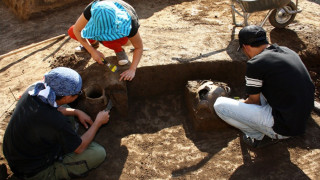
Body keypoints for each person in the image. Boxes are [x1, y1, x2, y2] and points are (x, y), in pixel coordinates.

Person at [214, 25, 315, 148]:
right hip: (301, 118)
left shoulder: (256, 64)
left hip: (284, 128)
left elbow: (253, 102)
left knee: (219, 105)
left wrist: (240, 103)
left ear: (245, 47)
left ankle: (256, 136)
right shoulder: (287, 51)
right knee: (264, 86)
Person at [3, 67, 110, 179]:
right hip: (32, 171)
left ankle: (66, 138)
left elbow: (59, 110)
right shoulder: (56, 120)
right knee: (98, 153)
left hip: (16, 153)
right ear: (68, 96)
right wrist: (98, 122)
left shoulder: (35, 89)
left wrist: (76, 112)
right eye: (78, 93)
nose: (80, 94)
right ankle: (53, 172)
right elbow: (79, 148)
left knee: (65, 108)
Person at [68, 0, 143, 81]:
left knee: (109, 42)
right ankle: (93, 43)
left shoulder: (130, 22)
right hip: (100, 23)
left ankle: (118, 50)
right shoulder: (93, 9)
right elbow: (76, 30)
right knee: (72, 31)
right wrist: (92, 51)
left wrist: (132, 69)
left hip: (124, 38)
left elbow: (139, 47)